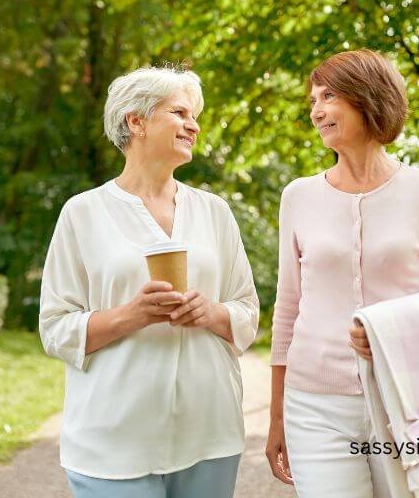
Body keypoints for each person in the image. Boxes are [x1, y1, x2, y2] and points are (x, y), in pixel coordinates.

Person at [39, 66, 259, 498]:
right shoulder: (82, 213)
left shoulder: (215, 212)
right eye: (179, 112)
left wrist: (212, 312)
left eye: (194, 115)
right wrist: (130, 316)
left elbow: (248, 311)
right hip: (114, 442)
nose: (193, 125)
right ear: (135, 121)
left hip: (209, 434)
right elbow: (55, 328)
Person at [265, 49, 419, 497]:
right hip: (315, 404)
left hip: (405, 399)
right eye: (312, 100)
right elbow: (288, 308)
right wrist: (277, 415)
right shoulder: (298, 196)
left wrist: (390, 329)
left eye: (329, 96)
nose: (316, 110)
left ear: (369, 98)